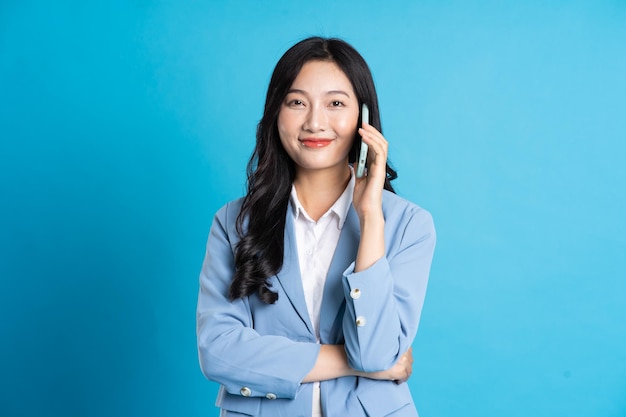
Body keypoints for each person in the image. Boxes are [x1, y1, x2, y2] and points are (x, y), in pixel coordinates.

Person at [196, 36, 436, 417]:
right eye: (296, 102)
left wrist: (370, 217)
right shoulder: (234, 223)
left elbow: (375, 351)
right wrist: (349, 362)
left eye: (336, 103)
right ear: (276, 112)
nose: (314, 122)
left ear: (365, 118)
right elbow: (219, 352)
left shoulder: (409, 225)